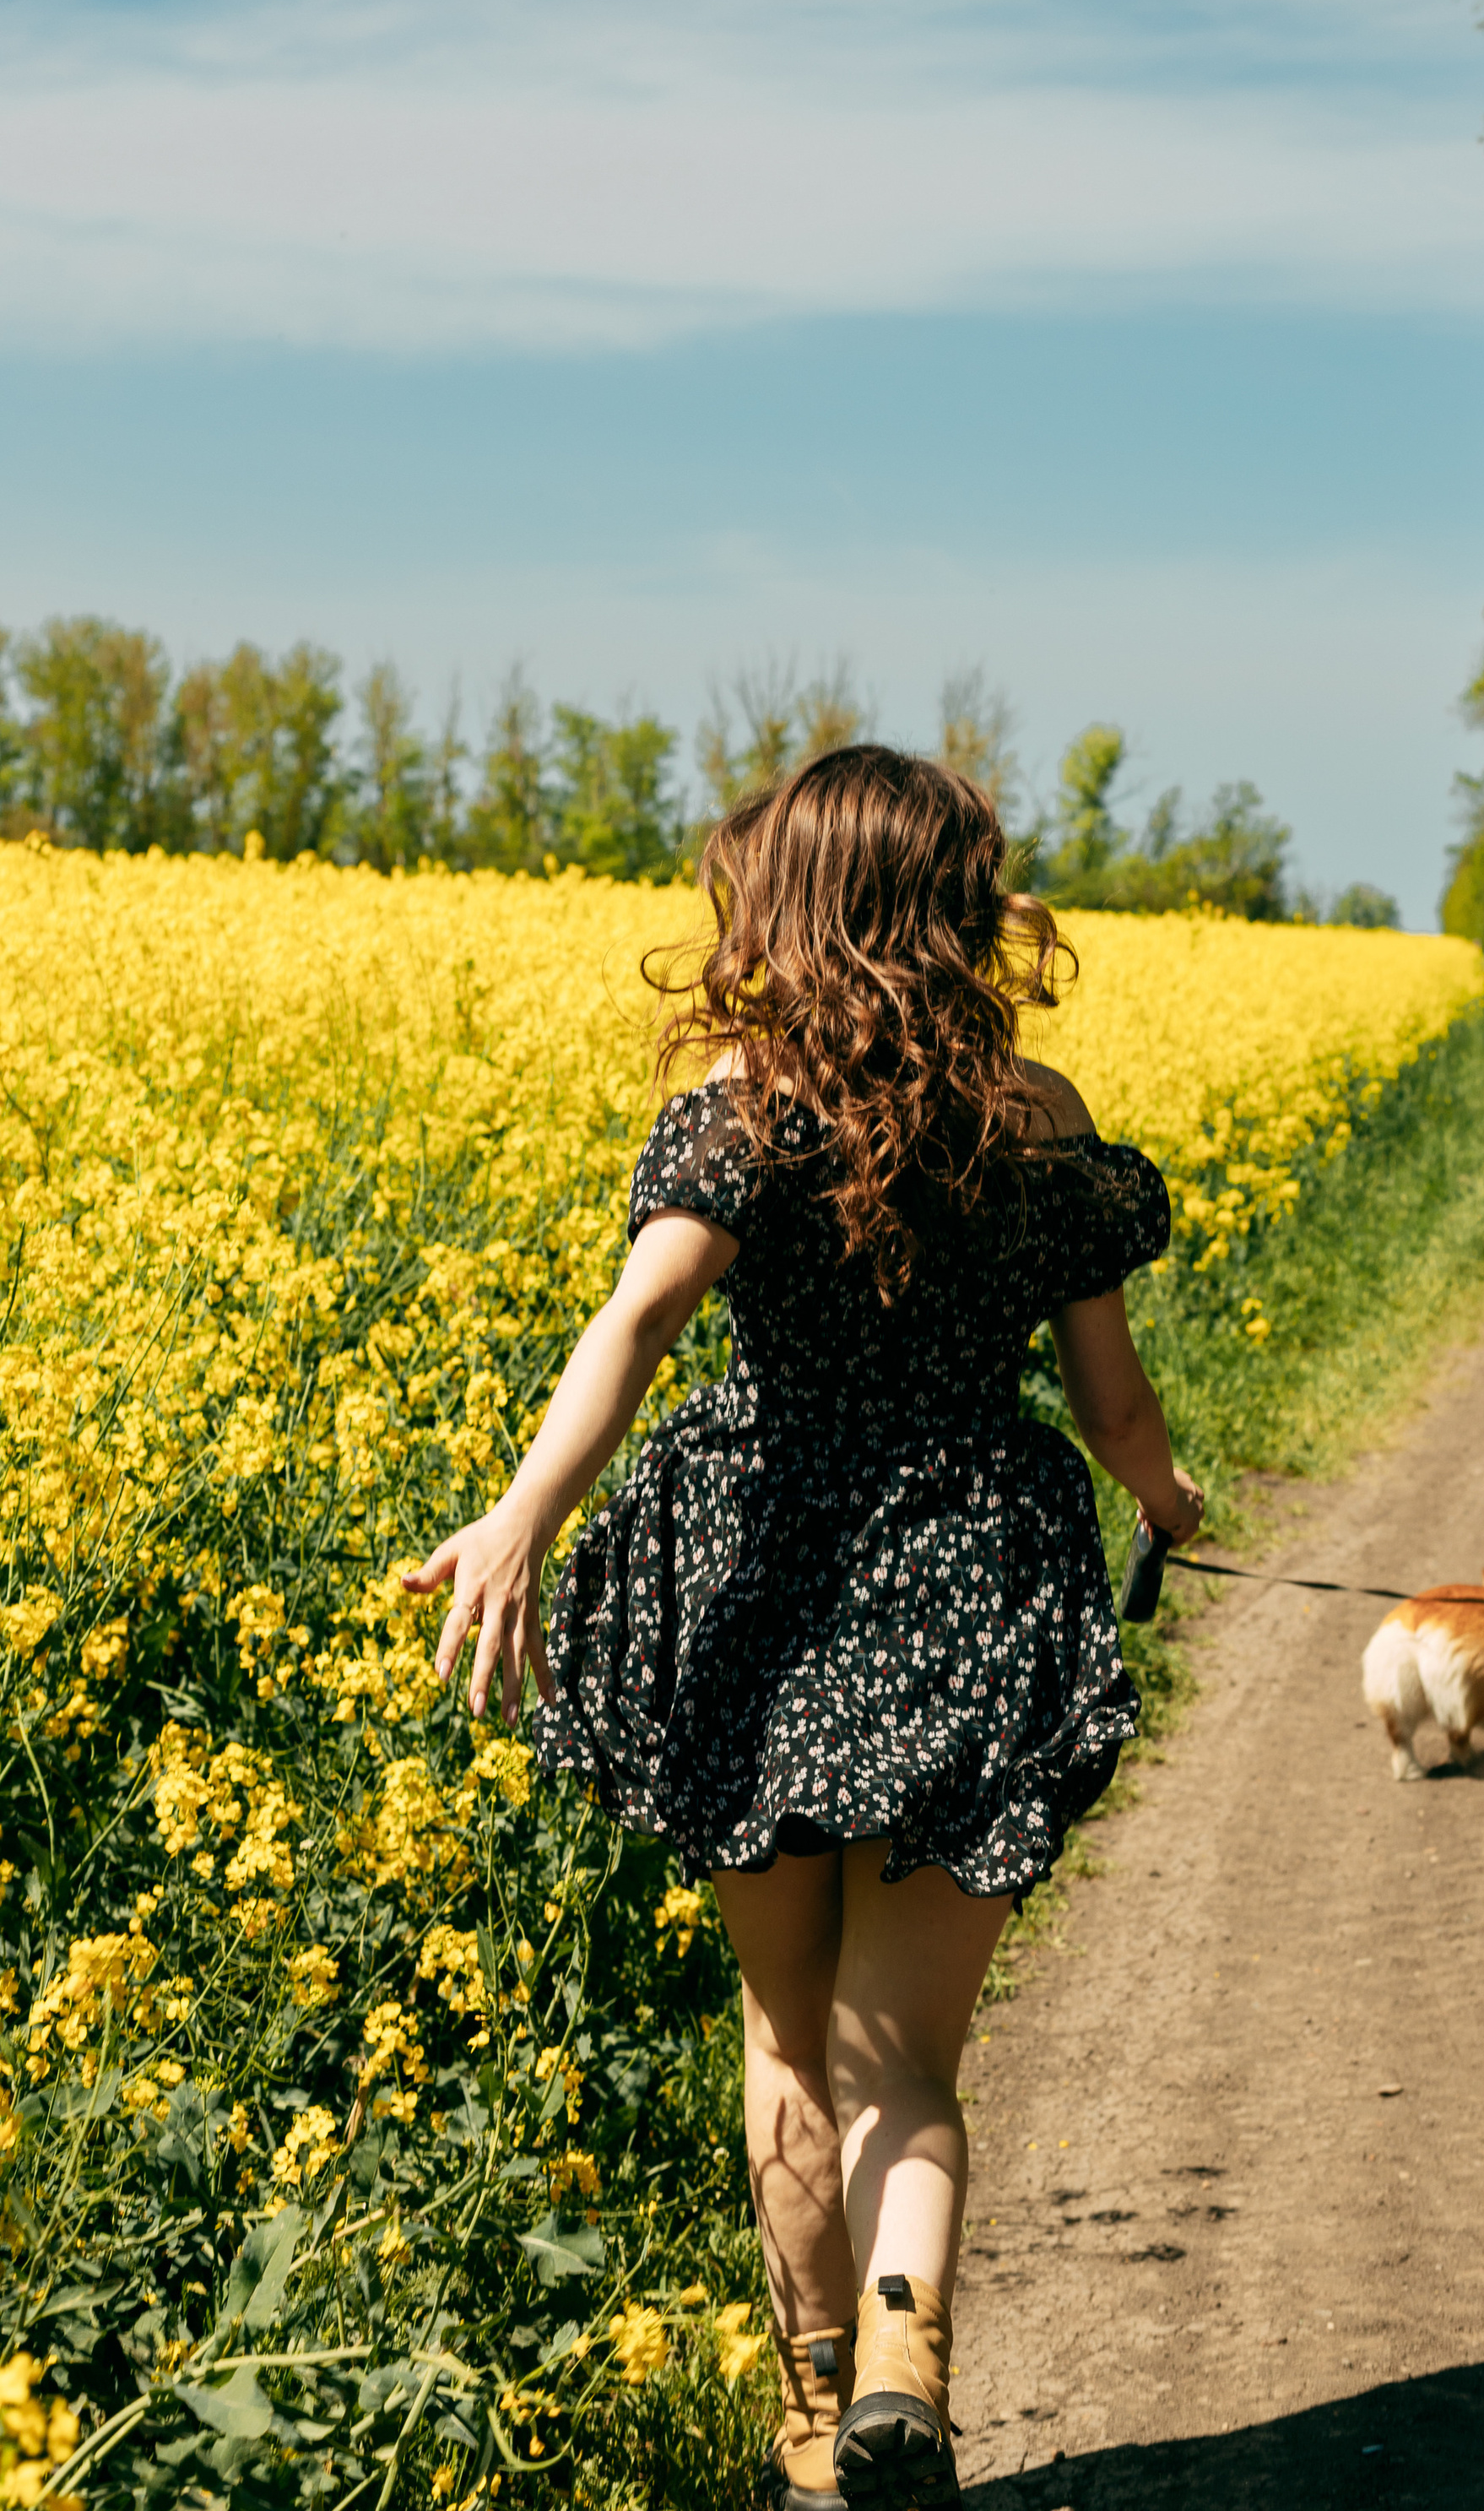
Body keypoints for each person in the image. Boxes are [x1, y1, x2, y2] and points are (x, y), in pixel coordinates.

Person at [407, 745, 1205, 2510]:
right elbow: (1110, 1400)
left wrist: (520, 1515)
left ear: (793, 907)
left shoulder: (746, 1105)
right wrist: (1161, 1506)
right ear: (949, 909)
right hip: (972, 1587)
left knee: (787, 2043)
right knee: (902, 2060)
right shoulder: (1043, 1120)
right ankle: (909, 2361)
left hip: (762, 1593)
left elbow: (641, 1319)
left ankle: (809, 2425)